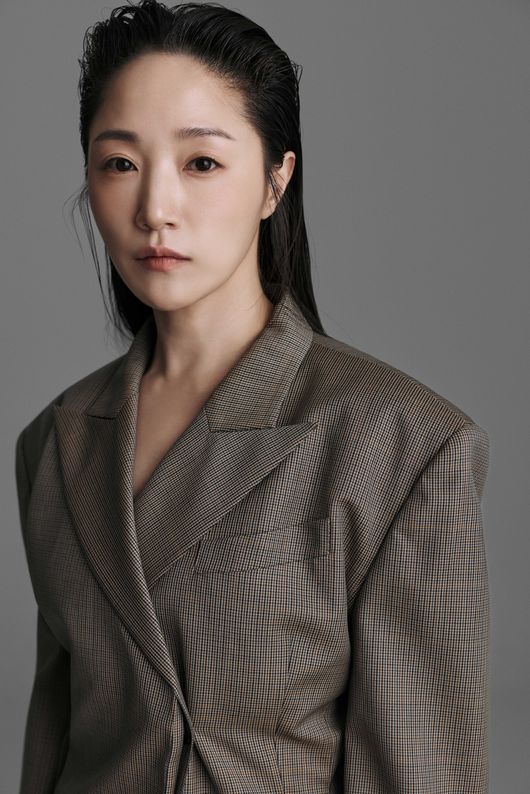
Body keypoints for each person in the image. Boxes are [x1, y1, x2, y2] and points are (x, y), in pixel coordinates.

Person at [14, 1, 491, 792]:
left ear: (276, 180)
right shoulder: (54, 442)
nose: (155, 208)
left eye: (201, 163)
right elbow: (56, 743)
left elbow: (419, 770)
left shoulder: (403, 443)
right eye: (119, 163)